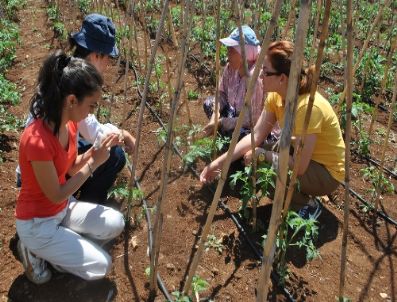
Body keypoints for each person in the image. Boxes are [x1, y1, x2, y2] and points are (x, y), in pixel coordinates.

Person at [200, 41, 345, 220]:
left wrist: (262, 155)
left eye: (266, 72)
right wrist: (218, 163)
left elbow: (299, 167)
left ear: (282, 78)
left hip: (325, 173)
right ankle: (296, 197)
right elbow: (256, 135)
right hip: (303, 155)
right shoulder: (276, 97)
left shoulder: (307, 108)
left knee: (262, 164)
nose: (260, 75)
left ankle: (307, 206)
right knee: (255, 154)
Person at [16, 51, 125, 285]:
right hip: (37, 223)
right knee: (102, 266)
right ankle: (33, 249)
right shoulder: (37, 139)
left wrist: (92, 154)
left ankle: (57, 252)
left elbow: (72, 168)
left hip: (62, 208)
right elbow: (56, 192)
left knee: (116, 223)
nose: (92, 112)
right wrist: (95, 163)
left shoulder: (70, 125)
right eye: (92, 105)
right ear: (72, 100)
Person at [16, 13, 136, 203]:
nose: (108, 65)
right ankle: (88, 205)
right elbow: (98, 134)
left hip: (35, 168)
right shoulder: (76, 87)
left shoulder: (66, 72)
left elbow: (89, 126)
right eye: (108, 59)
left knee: (98, 149)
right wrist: (121, 134)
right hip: (42, 180)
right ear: (97, 55)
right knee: (114, 154)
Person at [202, 25, 280, 143]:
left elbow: (251, 120)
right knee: (209, 103)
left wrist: (222, 122)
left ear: (244, 54)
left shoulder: (257, 77)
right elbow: (221, 94)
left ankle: (233, 149)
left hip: (257, 129)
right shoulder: (231, 68)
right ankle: (224, 137)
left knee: (239, 134)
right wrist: (215, 115)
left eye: (231, 50)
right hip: (237, 114)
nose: (227, 54)